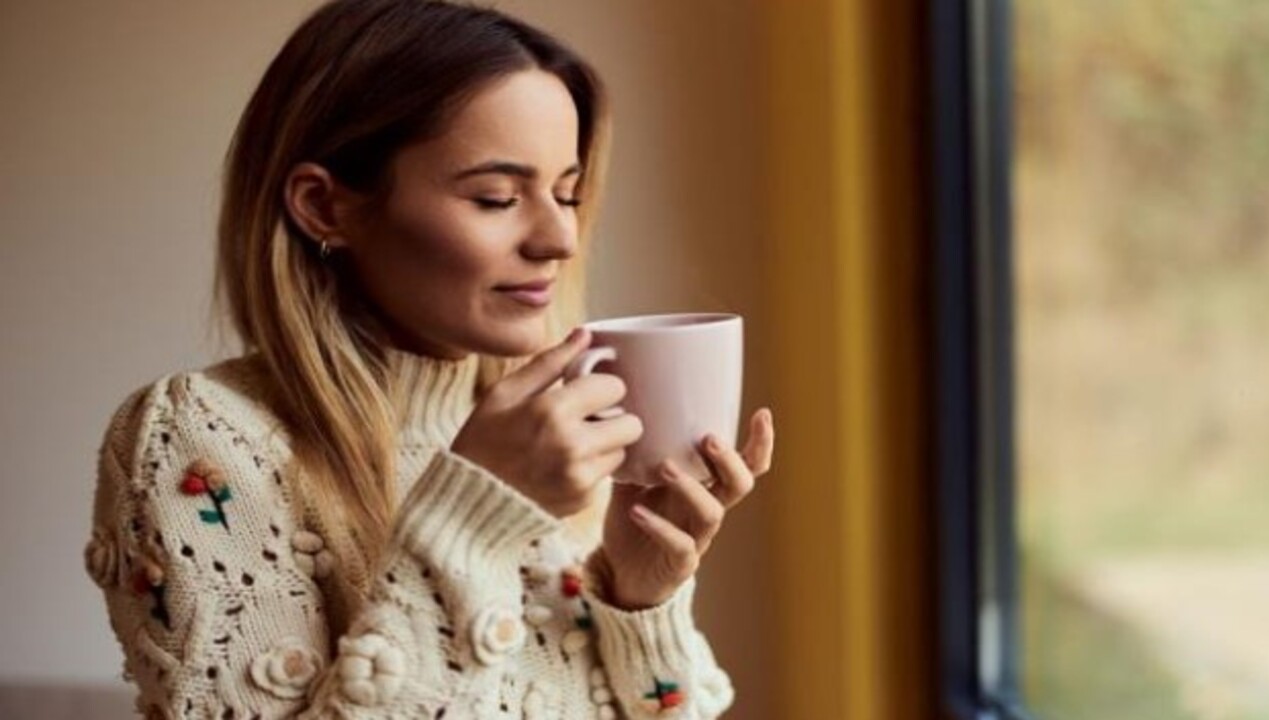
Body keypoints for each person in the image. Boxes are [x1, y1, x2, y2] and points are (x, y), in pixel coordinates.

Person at [83, 0, 775, 718]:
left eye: (567, 193)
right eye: (496, 197)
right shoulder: (200, 440)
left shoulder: (558, 432)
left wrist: (642, 594)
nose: (559, 239)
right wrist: (469, 521)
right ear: (325, 207)